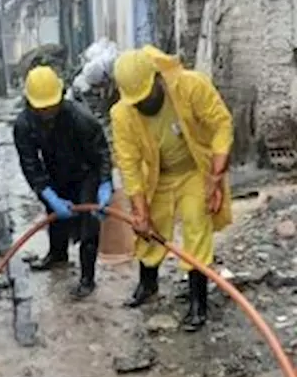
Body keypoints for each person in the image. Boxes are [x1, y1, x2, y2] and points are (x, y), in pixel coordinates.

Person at [110, 45, 233, 331]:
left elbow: (221, 124)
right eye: (136, 101)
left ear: (157, 77)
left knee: (196, 224)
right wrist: (139, 212)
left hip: (194, 170)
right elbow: (128, 165)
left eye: (146, 96)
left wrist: (215, 177)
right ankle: (148, 284)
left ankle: (197, 302)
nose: (143, 104)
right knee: (151, 228)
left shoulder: (190, 86)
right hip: (158, 176)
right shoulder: (122, 115)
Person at [13, 65, 114, 299]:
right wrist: (47, 193)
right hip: (55, 172)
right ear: (31, 104)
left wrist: (105, 183)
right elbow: (31, 165)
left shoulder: (80, 118)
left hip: (85, 172)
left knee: (89, 224)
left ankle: (87, 278)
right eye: (42, 108)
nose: (48, 111)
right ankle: (57, 255)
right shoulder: (24, 125)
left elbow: (102, 153)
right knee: (55, 215)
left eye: (52, 106)